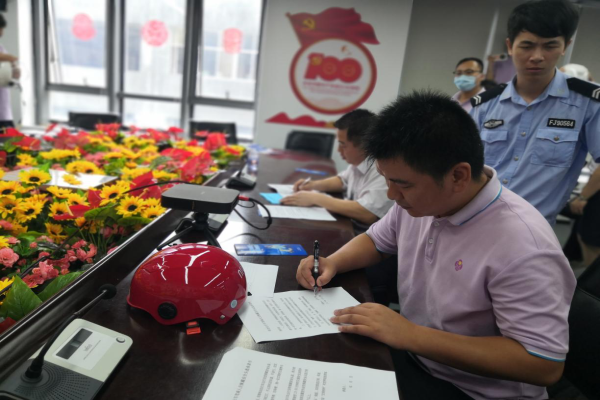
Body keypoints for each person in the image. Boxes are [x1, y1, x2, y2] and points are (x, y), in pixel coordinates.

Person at [296, 91, 575, 400]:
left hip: (473, 391)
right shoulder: (420, 204)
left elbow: (542, 364)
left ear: (458, 176)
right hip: (417, 359)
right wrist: (333, 261)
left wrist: (410, 334)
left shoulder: (524, 245)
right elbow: (376, 240)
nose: (392, 195)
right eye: (387, 180)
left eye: (403, 184)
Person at [470, 0, 600, 226]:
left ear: (565, 46)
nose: (537, 56)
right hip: (475, 220)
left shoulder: (587, 103)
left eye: (550, 46)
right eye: (527, 46)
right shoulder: (485, 105)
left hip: (532, 230)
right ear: (510, 46)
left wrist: (584, 197)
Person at [281, 109, 393, 230]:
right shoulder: (358, 163)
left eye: (343, 145)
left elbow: (367, 213)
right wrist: (312, 185)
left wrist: (316, 198)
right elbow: (342, 180)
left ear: (365, 145)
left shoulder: (382, 170)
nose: (338, 150)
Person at [0, 14, 19, 129]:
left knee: (11, 138)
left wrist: (14, 71)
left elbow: (10, 69)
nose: (2, 33)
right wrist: (10, 58)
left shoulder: (1, 47)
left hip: (3, 111)